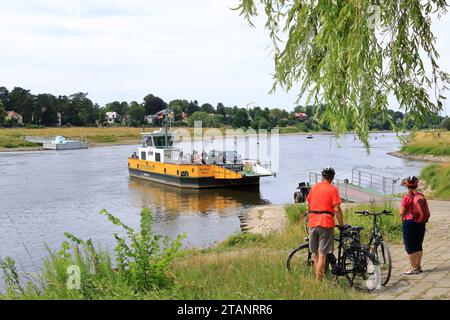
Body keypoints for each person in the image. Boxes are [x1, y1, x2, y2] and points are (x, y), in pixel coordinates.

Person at [306, 167, 345, 281]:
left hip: (312, 222)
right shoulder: (333, 189)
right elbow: (337, 209)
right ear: (332, 178)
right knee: (322, 254)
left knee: (315, 255)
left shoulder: (314, 187)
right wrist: (341, 224)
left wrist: (309, 219)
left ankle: (317, 281)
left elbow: (308, 205)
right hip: (326, 223)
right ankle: (319, 283)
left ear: (322, 177)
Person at [400, 176, 426, 275]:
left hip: (409, 223)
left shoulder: (406, 197)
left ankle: (414, 268)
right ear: (416, 185)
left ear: (407, 185)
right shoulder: (421, 195)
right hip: (420, 222)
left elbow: (401, 212)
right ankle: (418, 267)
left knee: (410, 247)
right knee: (418, 245)